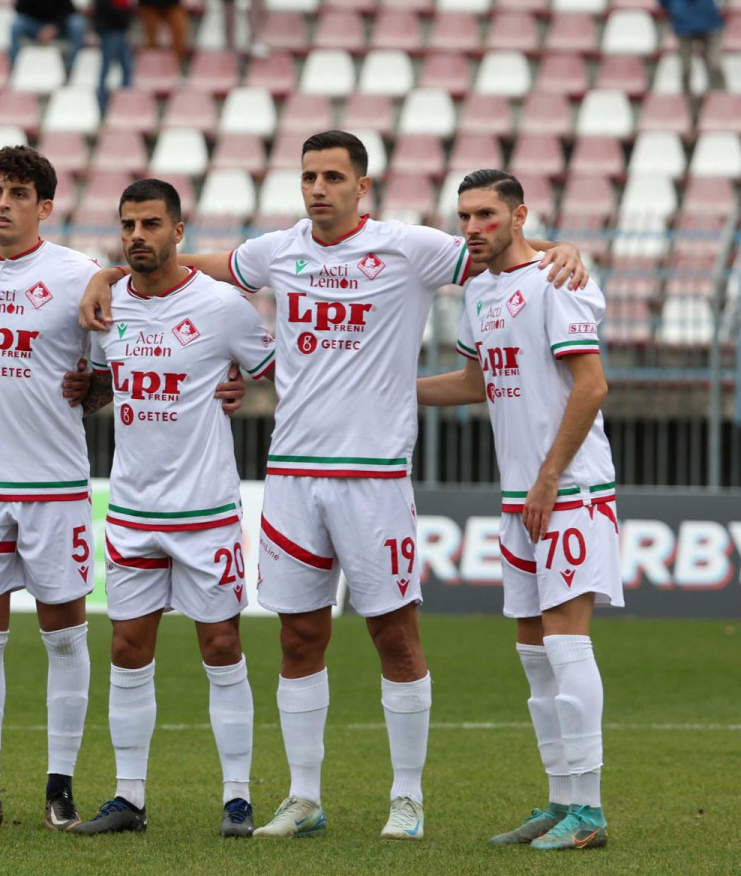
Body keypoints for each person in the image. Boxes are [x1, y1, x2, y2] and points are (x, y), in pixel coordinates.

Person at [74, 130, 588, 842]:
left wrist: (563, 247)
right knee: (298, 637)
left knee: (395, 636)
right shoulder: (280, 250)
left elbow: (501, 246)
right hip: (291, 476)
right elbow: (198, 262)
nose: (318, 188)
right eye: (309, 176)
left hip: (374, 478)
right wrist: (106, 276)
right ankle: (304, 798)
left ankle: (407, 798)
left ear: (362, 186)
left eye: (333, 177)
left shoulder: (409, 248)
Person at [418, 169, 620, 852]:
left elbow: (591, 386)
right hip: (520, 498)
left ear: (519, 215)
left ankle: (589, 811)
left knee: (566, 646)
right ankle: (561, 799)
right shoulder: (478, 291)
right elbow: (474, 382)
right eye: (464, 216)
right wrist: (386, 387)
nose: (473, 227)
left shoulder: (556, 280)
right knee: (535, 657)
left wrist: (549, 477)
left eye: (486, 214)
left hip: (568, 492)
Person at [69, 178, 274, 839]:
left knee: (222, 644)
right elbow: (107, 384)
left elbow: (276, 368)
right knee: (127, 647)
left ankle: (237, 798)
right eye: (128, 224)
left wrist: (244, 384)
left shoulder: (221, 305)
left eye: (151, 224)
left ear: (178, 231)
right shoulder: (107, 306)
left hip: (205, 508)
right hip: (131, 508)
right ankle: (128, 796)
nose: (137, 236)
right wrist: (89, 389)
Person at [0, 147, 107, 832]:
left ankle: (60, 788)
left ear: (45, 206)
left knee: (64, 636)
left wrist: (95, 386)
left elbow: (113, 369)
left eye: (17, 193)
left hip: (55, 485)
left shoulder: (79, 274)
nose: (1, 203)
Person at [90, 0, 136, 116]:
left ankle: (125, 106)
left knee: (125, 65)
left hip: (114, 24)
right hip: (111, 25)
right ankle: (103, 107)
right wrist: (120, 16)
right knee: (109, 67)